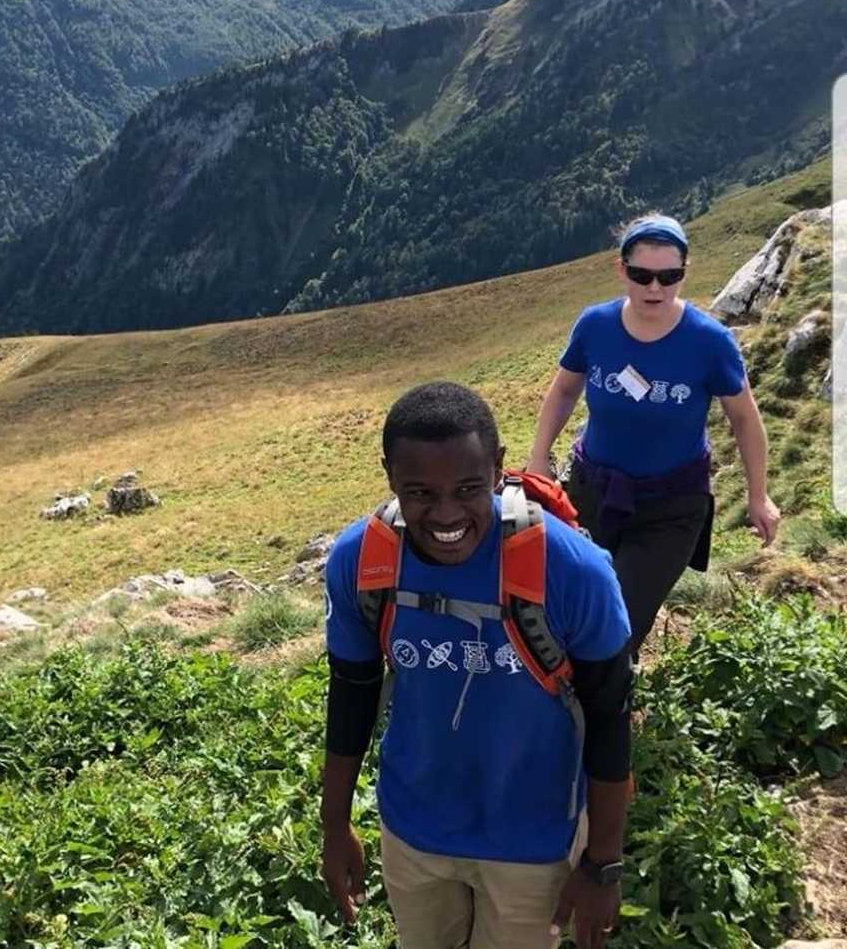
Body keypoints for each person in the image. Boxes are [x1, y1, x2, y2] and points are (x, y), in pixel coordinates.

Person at [321, 381, 633, 949]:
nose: (445, 514)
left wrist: (602, 864)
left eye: (468, 488)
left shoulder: (574, 573)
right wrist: (335, 825)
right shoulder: (362, 563)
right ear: (389, 475)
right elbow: (351, 694)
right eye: (420, 492)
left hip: (535, 843)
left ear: (498, 470)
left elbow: (610, 719)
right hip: (413, 832)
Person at [527, 213, 780, 654]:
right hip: (591, 491)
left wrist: (758, 496)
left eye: (670, 276)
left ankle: (605, 709)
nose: (656, 289)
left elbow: (745, 419)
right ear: (621, 270)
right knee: (569, 604)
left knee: (616, 624)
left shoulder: (709, 341)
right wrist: (538, 457)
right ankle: (560, 705)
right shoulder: (595, 326)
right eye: (642, 275)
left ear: (685, 271)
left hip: (671, 505)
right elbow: (565, 389)